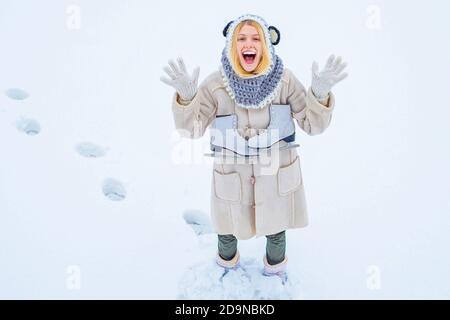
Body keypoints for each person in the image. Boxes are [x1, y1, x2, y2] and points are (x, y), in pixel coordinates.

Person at [161, 13, 347, 280]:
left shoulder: (285, 81)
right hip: (232, 179)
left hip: (276, 179)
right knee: (226, 229)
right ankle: (226, 268)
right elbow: (191, 129)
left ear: (267, 44)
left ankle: (275, 272)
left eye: (256, 38)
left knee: (276, 228)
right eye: (242, 38)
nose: (249, 43)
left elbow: (312, 125)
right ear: (232, 45)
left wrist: (319, 95)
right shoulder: (216, 85)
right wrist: (187, 99)